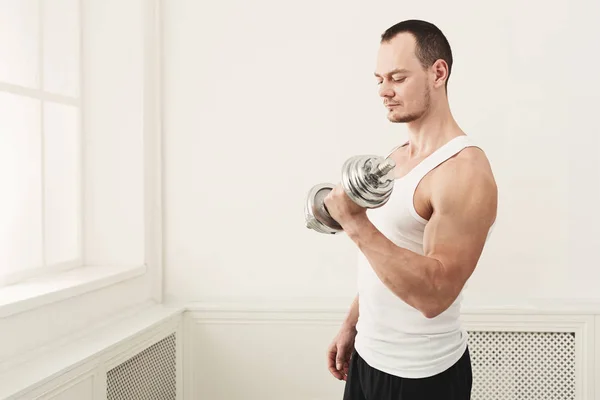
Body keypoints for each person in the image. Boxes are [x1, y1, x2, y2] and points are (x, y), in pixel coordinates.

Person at [323, 19, 498, 400]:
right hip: (369, 359)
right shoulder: (395, 158)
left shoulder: (464, 171)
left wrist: (354, 221)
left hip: (422, 376)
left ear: (438, 73)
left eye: (398, 78)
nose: (384, 91)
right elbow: (387, 254)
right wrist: (353, 324)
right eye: (379, 79)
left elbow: (435, 295)